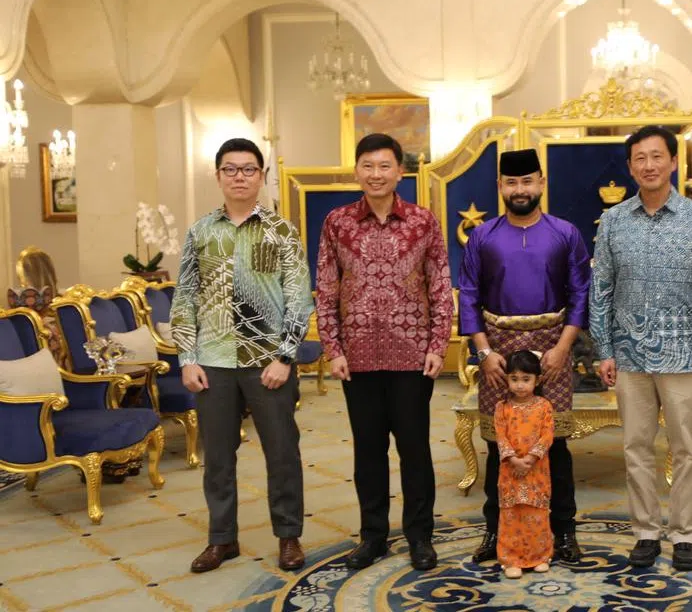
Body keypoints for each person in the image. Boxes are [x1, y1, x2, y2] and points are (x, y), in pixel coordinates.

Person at [171, 138, 313, 574]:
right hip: (212, 362)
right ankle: (222, 539)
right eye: (230, 169)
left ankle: (288, 536)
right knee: (217, 457)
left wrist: (284, 357)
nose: (239, 177)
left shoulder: (282, 232)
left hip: (268, 362)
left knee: (282, 453)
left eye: (248, 169)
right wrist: (187, 358)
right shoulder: (200, 232)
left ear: (262, 176)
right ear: (217, 176)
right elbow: (185, 298)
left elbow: (298, 299)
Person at [590, 125, 692, 572]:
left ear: (673, 162)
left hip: (684, 352)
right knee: (636, 446)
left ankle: (685, 534)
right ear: (630, 167)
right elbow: (601, 289)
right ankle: (646, 531)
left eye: (657, 157)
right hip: (629, 354)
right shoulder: (613, 220)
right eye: (639, 159)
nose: (648, 165)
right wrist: (603, 349)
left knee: (686, 448)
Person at [315, 133, 453, 572]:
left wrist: (438, 345)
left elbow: (439, 285)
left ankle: (419, 536)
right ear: (356, 171)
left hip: (412, 356)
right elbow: (325, 288)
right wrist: (332, 347)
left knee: (415, 451)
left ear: (400, 171)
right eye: (368, 166)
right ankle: (372, 536)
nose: (376, 174)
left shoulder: (422, 221)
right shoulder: (337, 222)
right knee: (367, 452)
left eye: (385, 166)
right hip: (357, 359)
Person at [457, 147, 590, 565]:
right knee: (500, 445)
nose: (520, 190)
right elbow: (469, 296)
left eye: (527, 181)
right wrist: (484, 354)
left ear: (541, 184)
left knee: (558, 444)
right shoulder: (482, 236)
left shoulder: (565, 233)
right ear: (500, 186)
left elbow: (581, 292)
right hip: (497, 348)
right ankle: (494, 531)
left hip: (553, 345)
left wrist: (563, 347)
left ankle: (564, 532)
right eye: (511, 182)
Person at [494, 351, 556, 578]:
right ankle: (511, 560)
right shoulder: (502, 407)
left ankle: (539, 556)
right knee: (512, 515)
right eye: (514, 379)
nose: (520, 385)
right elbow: (500, 436)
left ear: (537, 380)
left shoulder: (544, 406)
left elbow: (547, 435)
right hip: (510, 470)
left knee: (537, 513)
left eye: (526, 379)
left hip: (536, 470)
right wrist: (513, 459)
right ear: (507, 379)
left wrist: (530, 459)